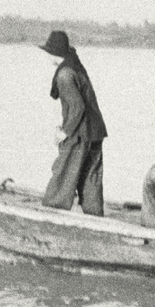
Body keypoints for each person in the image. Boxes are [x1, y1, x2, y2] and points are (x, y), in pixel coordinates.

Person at [38, 31, 107, 215]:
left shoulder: (64, 75)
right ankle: (94, 216)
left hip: (79, 133)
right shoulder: (75, 64)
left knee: (63, 174)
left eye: (49, 53)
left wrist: (64, 132)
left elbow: (77, 108)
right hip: (96, 131)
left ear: (55, 54)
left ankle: (51, 214)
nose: (48, 57)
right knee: (90, 177)